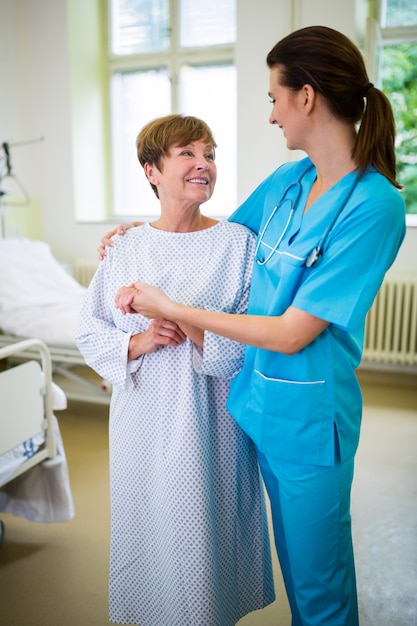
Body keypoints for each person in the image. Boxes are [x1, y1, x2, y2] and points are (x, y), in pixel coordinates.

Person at [111, 26, 406, 626]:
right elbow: (206, 234)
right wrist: (135, 235)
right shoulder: (289, 183)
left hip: (306, 425)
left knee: (318, 588)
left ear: (306, 97)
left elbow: (294, 333)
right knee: (288, 569)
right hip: (251, 406)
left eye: (274, 98)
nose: (271, 116)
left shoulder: (374, 206)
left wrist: (171, 309)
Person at [76, 114, 275, 626]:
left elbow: (249, 345)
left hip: (215, 427)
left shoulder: (238, 246)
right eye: (187, 153)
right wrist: (140, 341)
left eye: (209, 154)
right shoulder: (124, 248)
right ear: (152, 171)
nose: (203, 165)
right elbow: (90, 330)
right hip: (145, 422)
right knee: (152, 534)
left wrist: (181, 320)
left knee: (206, 543)